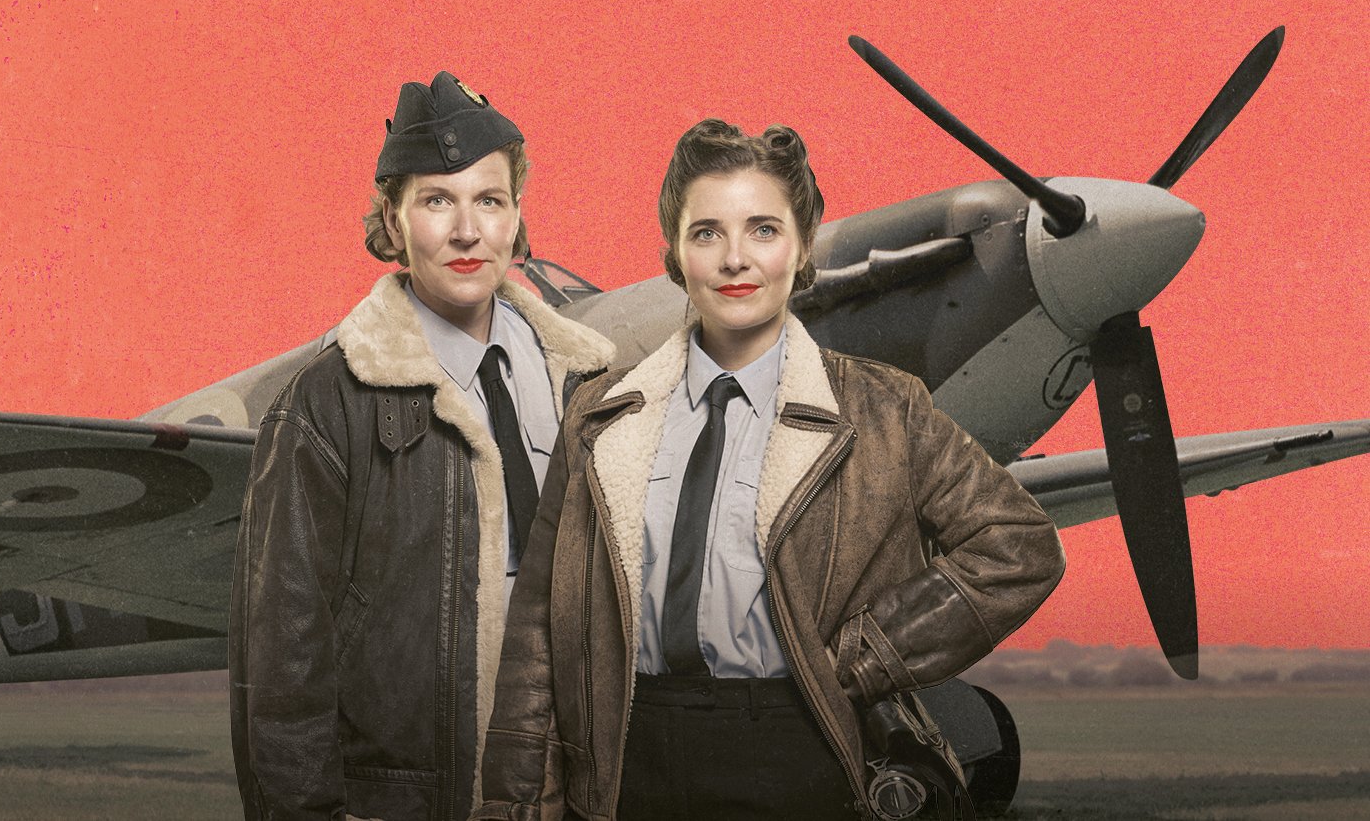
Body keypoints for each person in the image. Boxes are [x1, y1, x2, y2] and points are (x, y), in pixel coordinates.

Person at [473, 119, 1064, 820]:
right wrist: (516, 804)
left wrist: (868, 658)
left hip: (806, 755)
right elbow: (539, 631)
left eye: (763, 230)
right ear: (675, 254)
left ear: (802, 247)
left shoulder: (887, 408)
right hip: (628, 764)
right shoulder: (598, 417)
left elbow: (1017, 548)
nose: (734, 259)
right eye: (706, 233)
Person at [229, 71, 614, 821]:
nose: (467, 231)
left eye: (489, 200)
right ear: (393, 218)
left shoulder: (586, 381)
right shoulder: (325, 403)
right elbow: (282, 665)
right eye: (437, 201)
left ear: (517, 215)